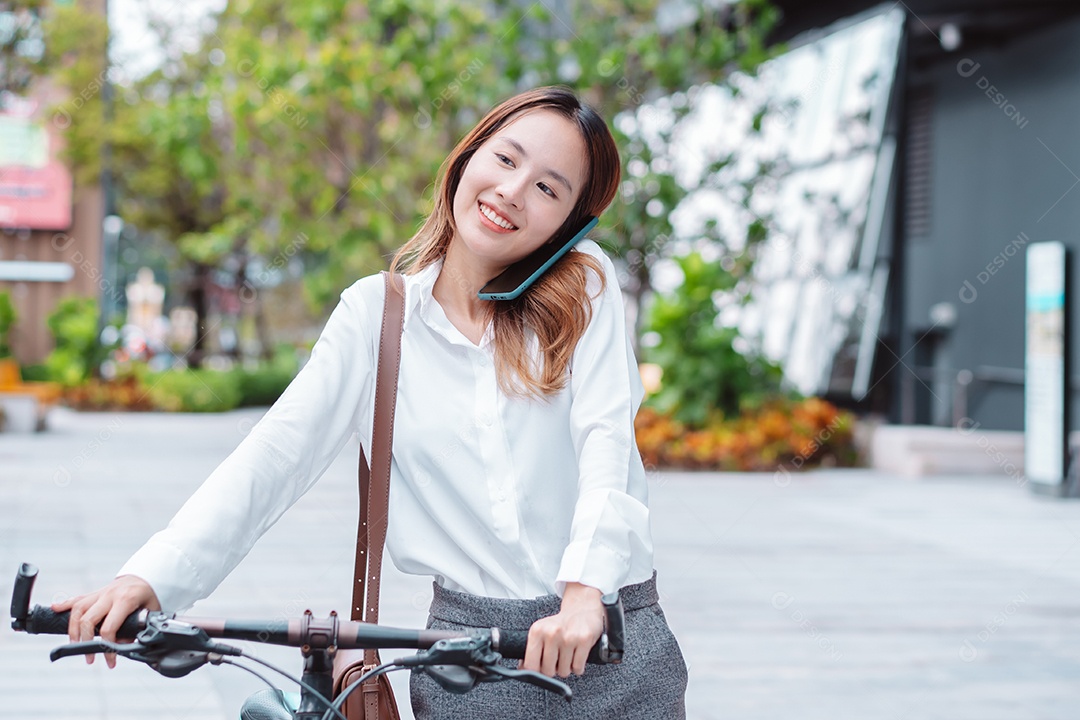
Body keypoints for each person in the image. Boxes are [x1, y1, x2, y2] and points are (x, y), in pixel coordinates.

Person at [55, 85, 688, 718]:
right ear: (468, 158)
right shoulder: (374, 318)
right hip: (470, 662)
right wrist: (150, 579)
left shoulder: (586, 285)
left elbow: (606, 439)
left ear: (571, 223)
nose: (513, 191)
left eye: (549, 188)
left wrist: (584, 593)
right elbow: (274, 458)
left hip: (612, 646)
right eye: (505, 158)